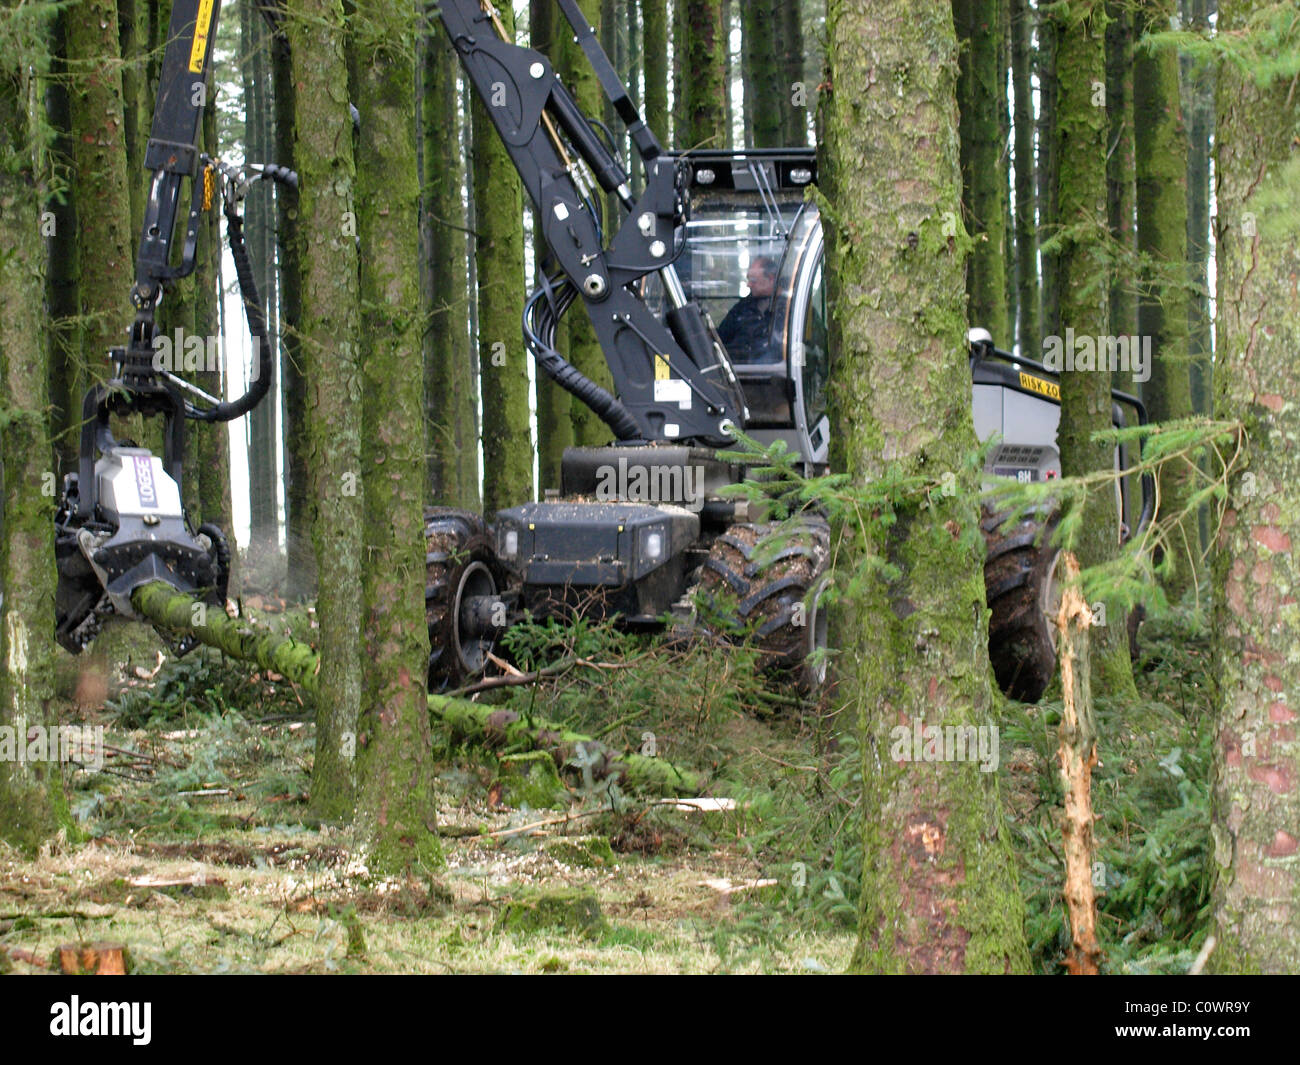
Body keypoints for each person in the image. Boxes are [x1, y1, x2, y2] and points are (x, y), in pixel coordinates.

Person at [717, 255, 778, 363]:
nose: (748, 285)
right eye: (748, 279)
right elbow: (720, 338)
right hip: (740, 372)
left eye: (753, 280)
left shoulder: (788, 310)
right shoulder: (743, 308)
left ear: (771, 279)